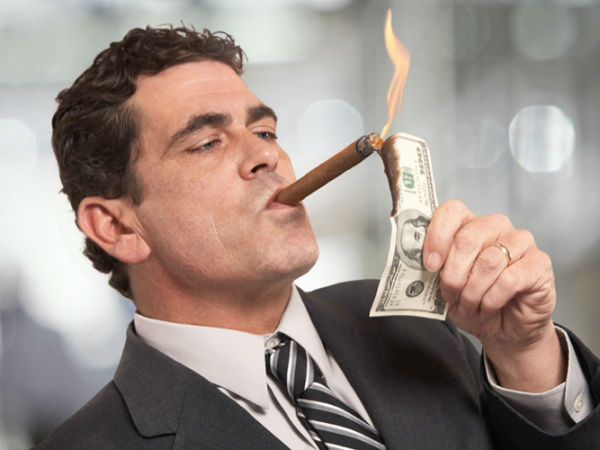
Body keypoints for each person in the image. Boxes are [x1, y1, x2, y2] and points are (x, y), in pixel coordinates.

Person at [34, 25, 599, 450]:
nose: (268, 157)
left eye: (264, 130)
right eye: (206, 143)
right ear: (117, 226)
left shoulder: (416, 329)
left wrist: (525, 355)